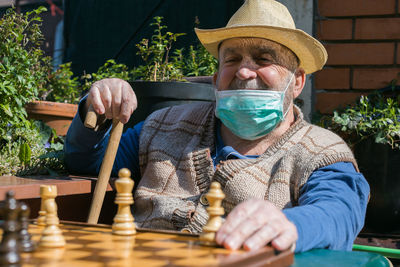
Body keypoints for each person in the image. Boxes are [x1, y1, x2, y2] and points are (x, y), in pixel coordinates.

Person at [65, 0, 369, 253]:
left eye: (264, 58)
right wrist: (96, 109)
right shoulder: (162, 125)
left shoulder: (322, 152)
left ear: (297, 81)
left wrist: (289, 224)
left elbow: (339, 212)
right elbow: (87, 162)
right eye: (232, 59)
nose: (245, 71)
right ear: (215, 79)